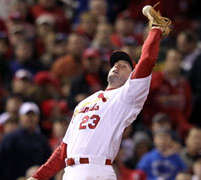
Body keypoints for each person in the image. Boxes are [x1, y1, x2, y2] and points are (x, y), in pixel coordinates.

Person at [28, 8, 169, 180]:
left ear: (132, 77)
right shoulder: (84, 102)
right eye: (115, 64)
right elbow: (63, 150)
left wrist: (154, 31)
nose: (117, 66)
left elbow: (146, 61)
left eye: (124, 66)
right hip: (71, 172)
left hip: (97, 169)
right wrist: (37, 177)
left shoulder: (127, 96)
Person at [0, 102, 51, 180]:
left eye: (33, 115)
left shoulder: (42, 140)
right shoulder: (10, 139)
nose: (30, 118)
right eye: (27, 115)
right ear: (20, 117)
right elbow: (3, 165)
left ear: (38, 118)